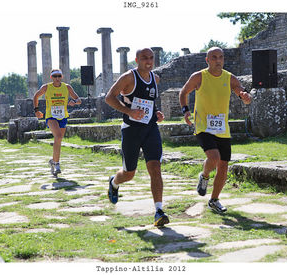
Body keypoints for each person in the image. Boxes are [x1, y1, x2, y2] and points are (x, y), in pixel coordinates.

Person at [179, 47, 252, 213]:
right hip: (203, 125)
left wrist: (245, 97)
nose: (218, 60)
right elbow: (183, 92)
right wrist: (185, 110)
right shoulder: (199, 77)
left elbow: (240, 91)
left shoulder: (229, 77)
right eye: (214, 57)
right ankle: (204, 175)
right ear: (207, 60)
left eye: (220, 57)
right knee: (213, 157)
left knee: (223, 166)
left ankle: (214, 200)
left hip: (222, 128)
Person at [105, 48, 169, 227]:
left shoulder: (155, 79)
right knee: (129, 173)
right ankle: (114, 181)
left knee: (155, 167)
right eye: (144, 58)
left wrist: (156, 113)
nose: (148, 61)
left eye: (151, 58)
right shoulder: (128, 77)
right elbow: (109, 98)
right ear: (136, 60)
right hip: (131, 130)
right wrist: (129, 111)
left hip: (150, 129)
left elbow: (149, 103)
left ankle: (159, 211)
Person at [33, 69, 82, 176]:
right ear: (51, 77)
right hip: (51, 116)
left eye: (59, 76)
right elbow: (36, 96)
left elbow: (78, 100)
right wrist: (36, 110)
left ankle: (53, 161)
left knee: (58, 140)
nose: (57, 78)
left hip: (63, 116)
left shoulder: (67, 87)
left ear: (62, 76)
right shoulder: (46, 87)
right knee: (58, 136)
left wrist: (73, 102)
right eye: (55, 76)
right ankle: (57, 164)